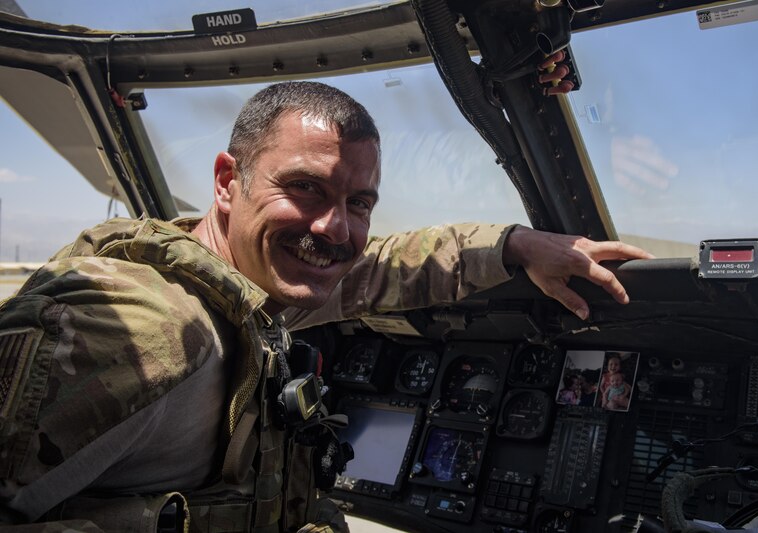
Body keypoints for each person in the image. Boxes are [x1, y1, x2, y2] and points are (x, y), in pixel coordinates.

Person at [0, 81, 651, 532]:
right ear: (229, 181)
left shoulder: (249, 292)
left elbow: (384, 268)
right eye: (305, 189)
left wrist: (514, 243)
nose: (335, 229)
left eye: (359, 202)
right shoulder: (137, 325)